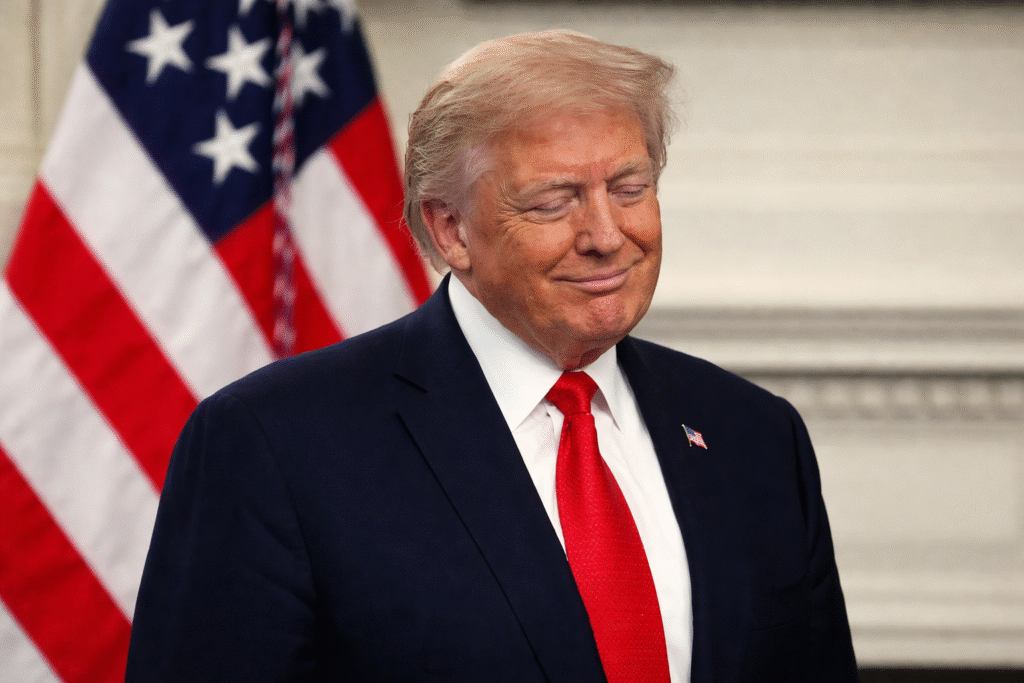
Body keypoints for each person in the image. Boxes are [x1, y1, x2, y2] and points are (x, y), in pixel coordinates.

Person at [126, 30, 858, 683]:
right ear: (450, 231)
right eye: (554, 201)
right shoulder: (272, 444)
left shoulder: (757, 436)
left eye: (630, 188)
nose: (607, 233)